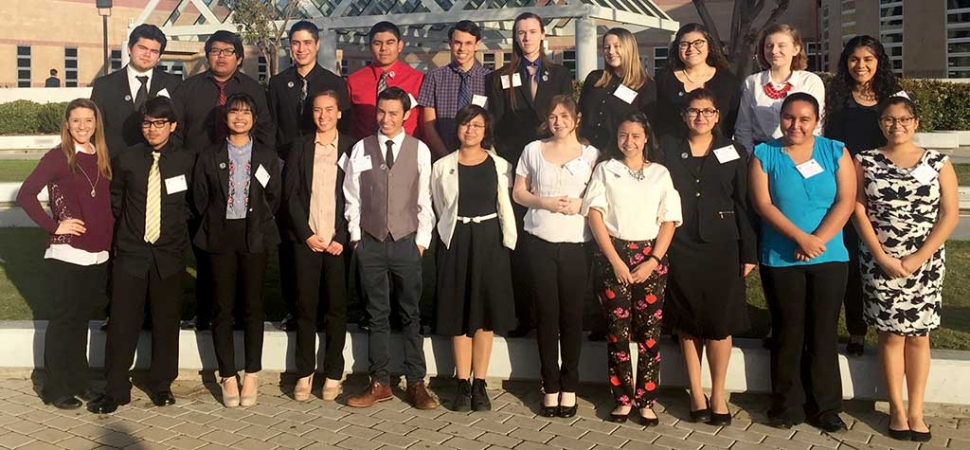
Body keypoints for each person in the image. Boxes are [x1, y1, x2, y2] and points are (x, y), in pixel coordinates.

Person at [852, 97, 959, 443]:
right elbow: (858, 210)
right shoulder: (865, 160)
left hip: (924, 264)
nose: (896, 125)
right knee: (890, 336)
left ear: (915, 122)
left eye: (904, 119)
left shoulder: (937, 162)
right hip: (880, 262)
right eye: (889, 119)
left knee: (919, 336)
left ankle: (917, 410)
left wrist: (919, 257)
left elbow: (950, 214)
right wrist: (882, 257)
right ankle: (896, 410)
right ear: (880, 123)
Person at [749, 92, 856, 432]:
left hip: (830, 257)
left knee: (823, 333)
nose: (796, 125)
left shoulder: (835, 151)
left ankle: (825, 407)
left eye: (804, 118)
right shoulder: (765, 154)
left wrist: (817, 241)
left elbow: (847, 200)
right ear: (781, 118)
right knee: (788, 332)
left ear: (816, 120)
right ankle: (786, 404)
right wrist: (800, 238)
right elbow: (763, 205)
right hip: (781, 258)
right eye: (789, 117)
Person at [87, 97, 195, 414]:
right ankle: (115, 388)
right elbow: (117, 200)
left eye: (160, 123)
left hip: (169, 253)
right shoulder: (127, 159)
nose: (153, 129)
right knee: (122, 323)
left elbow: (194, 203)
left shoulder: (187, 160)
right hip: (131, 252)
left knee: (166, 321)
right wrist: (133, 234)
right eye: (148, 122)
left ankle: (161, 385)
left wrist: (172, 232)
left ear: (172, 126)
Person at [658, 89, 756, 426]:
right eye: (694, 111)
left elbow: (744, 202)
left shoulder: (733, 151)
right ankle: (695, 392)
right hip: (681, 243)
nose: (701, 117)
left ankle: (717, 393)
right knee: (687, 321)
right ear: (684, 114)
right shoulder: (668, 147)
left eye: (708, 111)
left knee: (719, 322)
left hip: (722, 246)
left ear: (717, 116)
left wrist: (749, 251)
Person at [172, 30, 275, 331]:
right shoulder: (188, 89)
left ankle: (246, 314)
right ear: (207, 55)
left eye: (228, 51)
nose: (221, 56)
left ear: (240, 57)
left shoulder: (254, 91)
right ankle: (206, 312)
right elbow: (176, 134)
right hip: (201, 184)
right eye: (215, 50)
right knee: (204, 251)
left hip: (243, 187)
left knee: (246, 253)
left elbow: (266, 131)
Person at [343, 87, 438, 410]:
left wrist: (422, 242)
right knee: (376, 314)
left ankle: (416, 383)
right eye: (381, 112)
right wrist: (356, 236)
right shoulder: (360, 149)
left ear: (406, 115)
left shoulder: (419, 150)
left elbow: (425, 200)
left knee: (411, 314)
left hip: (407, 243)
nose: (385, 119)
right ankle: (380, 381)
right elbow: (352, 197)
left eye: (393, 113)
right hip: (370, 242)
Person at [584, 111, 681, 426]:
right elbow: (595, 214)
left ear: (646, 138)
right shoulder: (606, 170)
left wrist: (653, 261)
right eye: (624, 134)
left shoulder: (660, 174)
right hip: (615, 253)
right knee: (618, 331)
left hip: (651, 254)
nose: (629, 141)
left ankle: (647, 398)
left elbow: (669, 220)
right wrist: (614, 259)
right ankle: (623, 397)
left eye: (636, 135)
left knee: (650, 333)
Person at [17, 99, 113, 409]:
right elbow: (26, 194)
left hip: (97, 253)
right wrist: (54, 225)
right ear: (67, 124)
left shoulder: (101, 157)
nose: (83, 126)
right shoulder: (58, 157)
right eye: (76, 121)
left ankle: (79, 381)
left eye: (88, 120)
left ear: (96, 123)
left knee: (81, 321)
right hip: (67, 253)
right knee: (63, 321)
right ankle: (55, 387)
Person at [485, 12, 573, 338]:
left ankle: (554, 315)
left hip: (552, 164)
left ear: (542, 34)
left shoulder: (560, 74)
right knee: (519, 243)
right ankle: (522, 315)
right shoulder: (499, 78)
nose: (526, 38)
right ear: (515, 37)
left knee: (552, 241)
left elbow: (564, 114)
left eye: (532, 31)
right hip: (515, 166)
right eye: (521, 33)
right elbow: (493, 120)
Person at [192, 93, 281, 408]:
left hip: (254, 234)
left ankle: (252, 371)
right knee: (222, 307)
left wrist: (255, 218)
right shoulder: (209, 154)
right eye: (234, 111)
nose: (240, 117)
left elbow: (273, 196)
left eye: (246, 112)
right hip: (220, 235)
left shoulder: (268, 156)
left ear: (255, 118)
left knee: (253, 306)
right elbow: (200, 197)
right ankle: (227, 373)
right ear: (225, 117)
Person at [512, 94, 598, 418]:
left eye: (564, 116)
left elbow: (601, 195)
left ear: (577, 120)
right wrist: (544, 202)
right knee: (546, 315)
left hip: (576, 243)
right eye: (553, 116)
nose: (558, 121)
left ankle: (570, 385)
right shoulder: (533, 151)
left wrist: (581, 205)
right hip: (540, 241)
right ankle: (549, 384)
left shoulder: (592, 155)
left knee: (571, 316)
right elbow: (519, 192)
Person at [431, 105, 516, 412]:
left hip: (489, 240)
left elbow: (505, 203)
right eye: (466, 125)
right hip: (457, 240)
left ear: (486, 130)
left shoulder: (500, 166)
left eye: (477, 126)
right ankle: (462, 383)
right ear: (458, 129)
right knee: (459, 312)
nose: (470, 130)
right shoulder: (443, 166)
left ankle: (480, 383)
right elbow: (440, 205)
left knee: (484, 313)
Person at [268, 20, 350, 333]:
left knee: (331, 234)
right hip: (290, 166)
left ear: (316, 45)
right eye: (295, 43)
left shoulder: (332, 82)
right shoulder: (277, 83)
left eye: (307, 43)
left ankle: (332, 310)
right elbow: (272, 126)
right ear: (290, 47)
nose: (301, 49)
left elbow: (345, 125)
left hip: (327, 162)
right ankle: (296, 308)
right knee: (293, 238)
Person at [824, 35, 901, 357]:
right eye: (855, 59)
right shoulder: (837, 96)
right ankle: (856, 329)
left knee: (881, 259)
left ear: (879, 61)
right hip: (844, 189)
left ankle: (891, 327)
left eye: (868, 59)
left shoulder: (893, 98)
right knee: (850, 263)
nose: (861, 65)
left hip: (882, 193)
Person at [282, 90, 353, 402]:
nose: (323, 116)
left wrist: (341, 236)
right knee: (305, 307)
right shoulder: (299, 146)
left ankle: (334, 371)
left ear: (339, 113)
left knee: (337, 308)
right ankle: (304, 372)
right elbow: (291, 195)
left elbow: (357, 196)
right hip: (307, 240)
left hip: (337, 242)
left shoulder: (352, 147)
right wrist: (305, 233)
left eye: (329, 110)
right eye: (317, 110)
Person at [91, 24, 182, 159]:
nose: (147, 55)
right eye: (142, 48)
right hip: (116, 165)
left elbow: (179, 127)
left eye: (154, 51)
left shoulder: (173, 84)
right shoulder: (104, 85)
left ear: (159, 57)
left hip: (160, 165)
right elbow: (96, 128)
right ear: (129, 49)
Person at [735, 24, 825, 154]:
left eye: (781, 45)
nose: (774, 51)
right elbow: (743, 127)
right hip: (761, 153)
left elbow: (817, 126)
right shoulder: (752, 82)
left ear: (796, 49)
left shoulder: (810, 81)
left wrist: (807, 155)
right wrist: (750, 158)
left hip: (801, 152)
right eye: (769, 46)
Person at [418, 20, 490, 159]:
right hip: (443, 154)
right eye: (458, 43)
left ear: (477, 45)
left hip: (479, 157)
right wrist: (446, 157)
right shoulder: (434, 77)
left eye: (468, 43)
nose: (462, 48)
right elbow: (428, 125)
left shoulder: (489, 78)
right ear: (450, 43)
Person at [654, 23, 739, 140]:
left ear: (709, 46)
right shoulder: (663, 79)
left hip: (716, 151)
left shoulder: (727, 81)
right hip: (670, 153)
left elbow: (735, 121)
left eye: (698, 43)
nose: (691, 49)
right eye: (684, 44)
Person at [578, 27, 657, 151]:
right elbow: (579, 113)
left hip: (618, 153)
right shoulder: (594, 79)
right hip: (586, 150)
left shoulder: (645, 85)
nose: (611, 51)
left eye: (617, 46)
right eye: (606, 47)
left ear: (629, 48)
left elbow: (646, 127)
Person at [347, 21, 424, 141]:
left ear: (400, 45)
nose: (383, 48)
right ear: (370, 47)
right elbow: (350, 123)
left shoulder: (418, 79)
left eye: (390, 43)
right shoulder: (354, 80)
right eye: (377, 43)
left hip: (406, 150)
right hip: (366, 151)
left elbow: (425, 122)